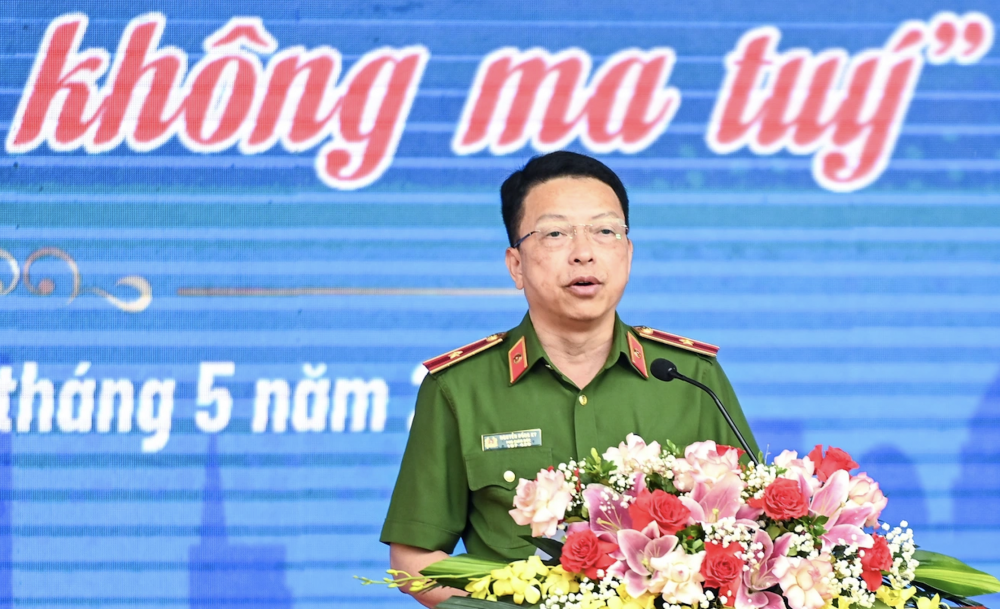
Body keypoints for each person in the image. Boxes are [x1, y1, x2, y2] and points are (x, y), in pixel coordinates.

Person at [379, 151, 758, 607]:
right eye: (556, 233)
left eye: (605, 231)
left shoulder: (691, 377)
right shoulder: (459, 388)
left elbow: (755, 528)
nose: (584, 252)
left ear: (628, 253)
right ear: (516, 265)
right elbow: (414, 557)